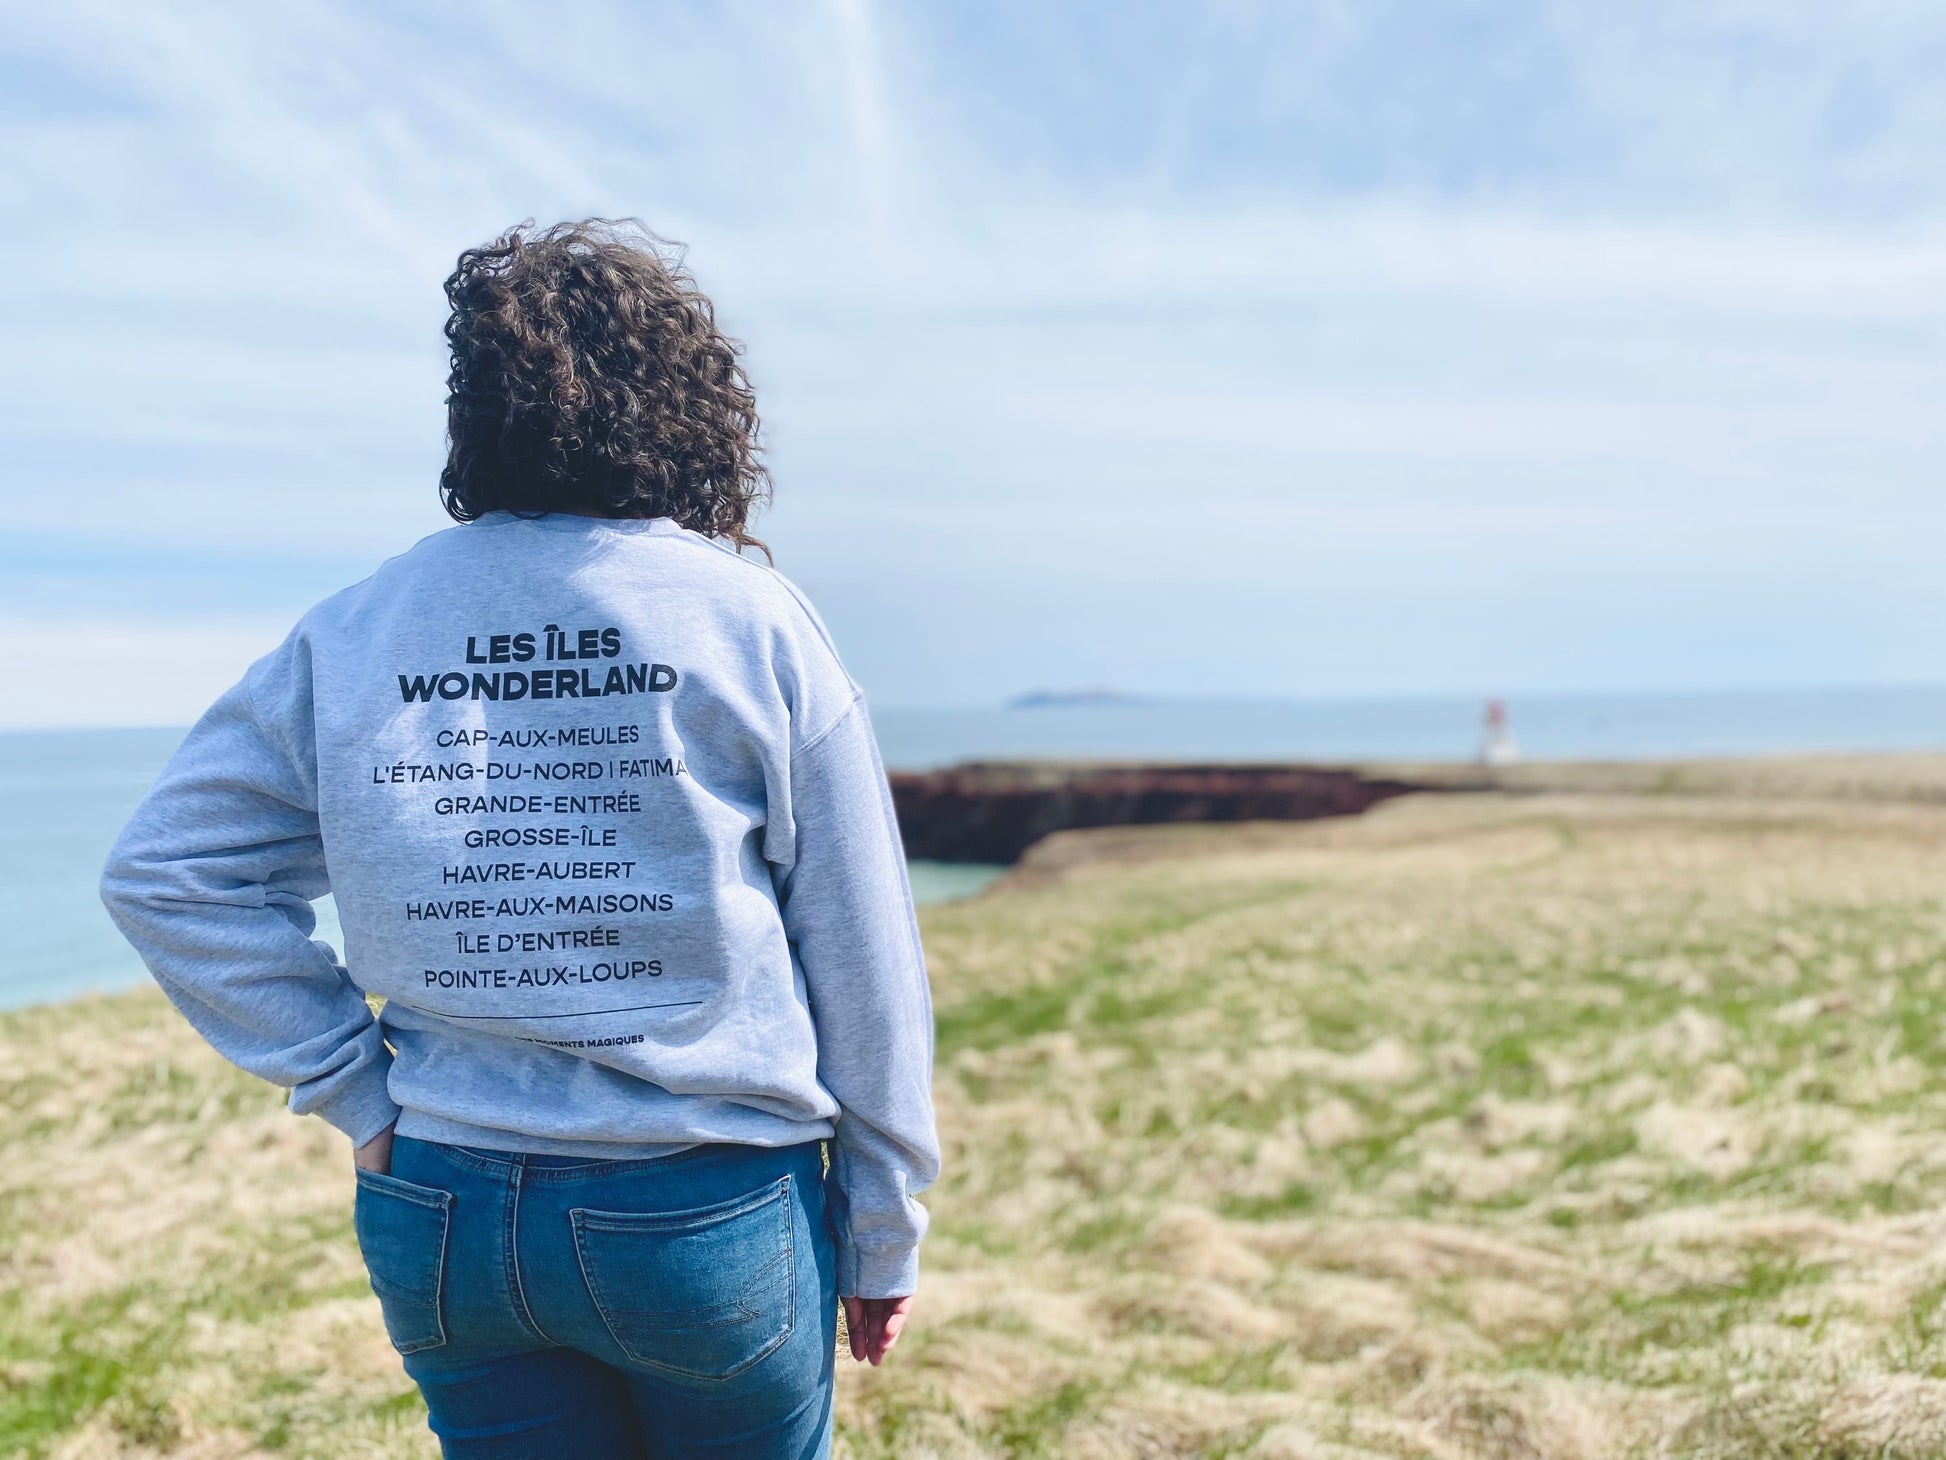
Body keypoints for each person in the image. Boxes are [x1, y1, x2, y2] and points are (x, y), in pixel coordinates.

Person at [100, 219, 939, 1459]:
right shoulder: (745, 618)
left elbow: (167, 870)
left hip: (440, 1203)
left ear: (475, 413)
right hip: (703, 1205)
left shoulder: (357, 626)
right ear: (688, 406)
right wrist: (882, 1221)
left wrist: (357, 1090)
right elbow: (860, 944)